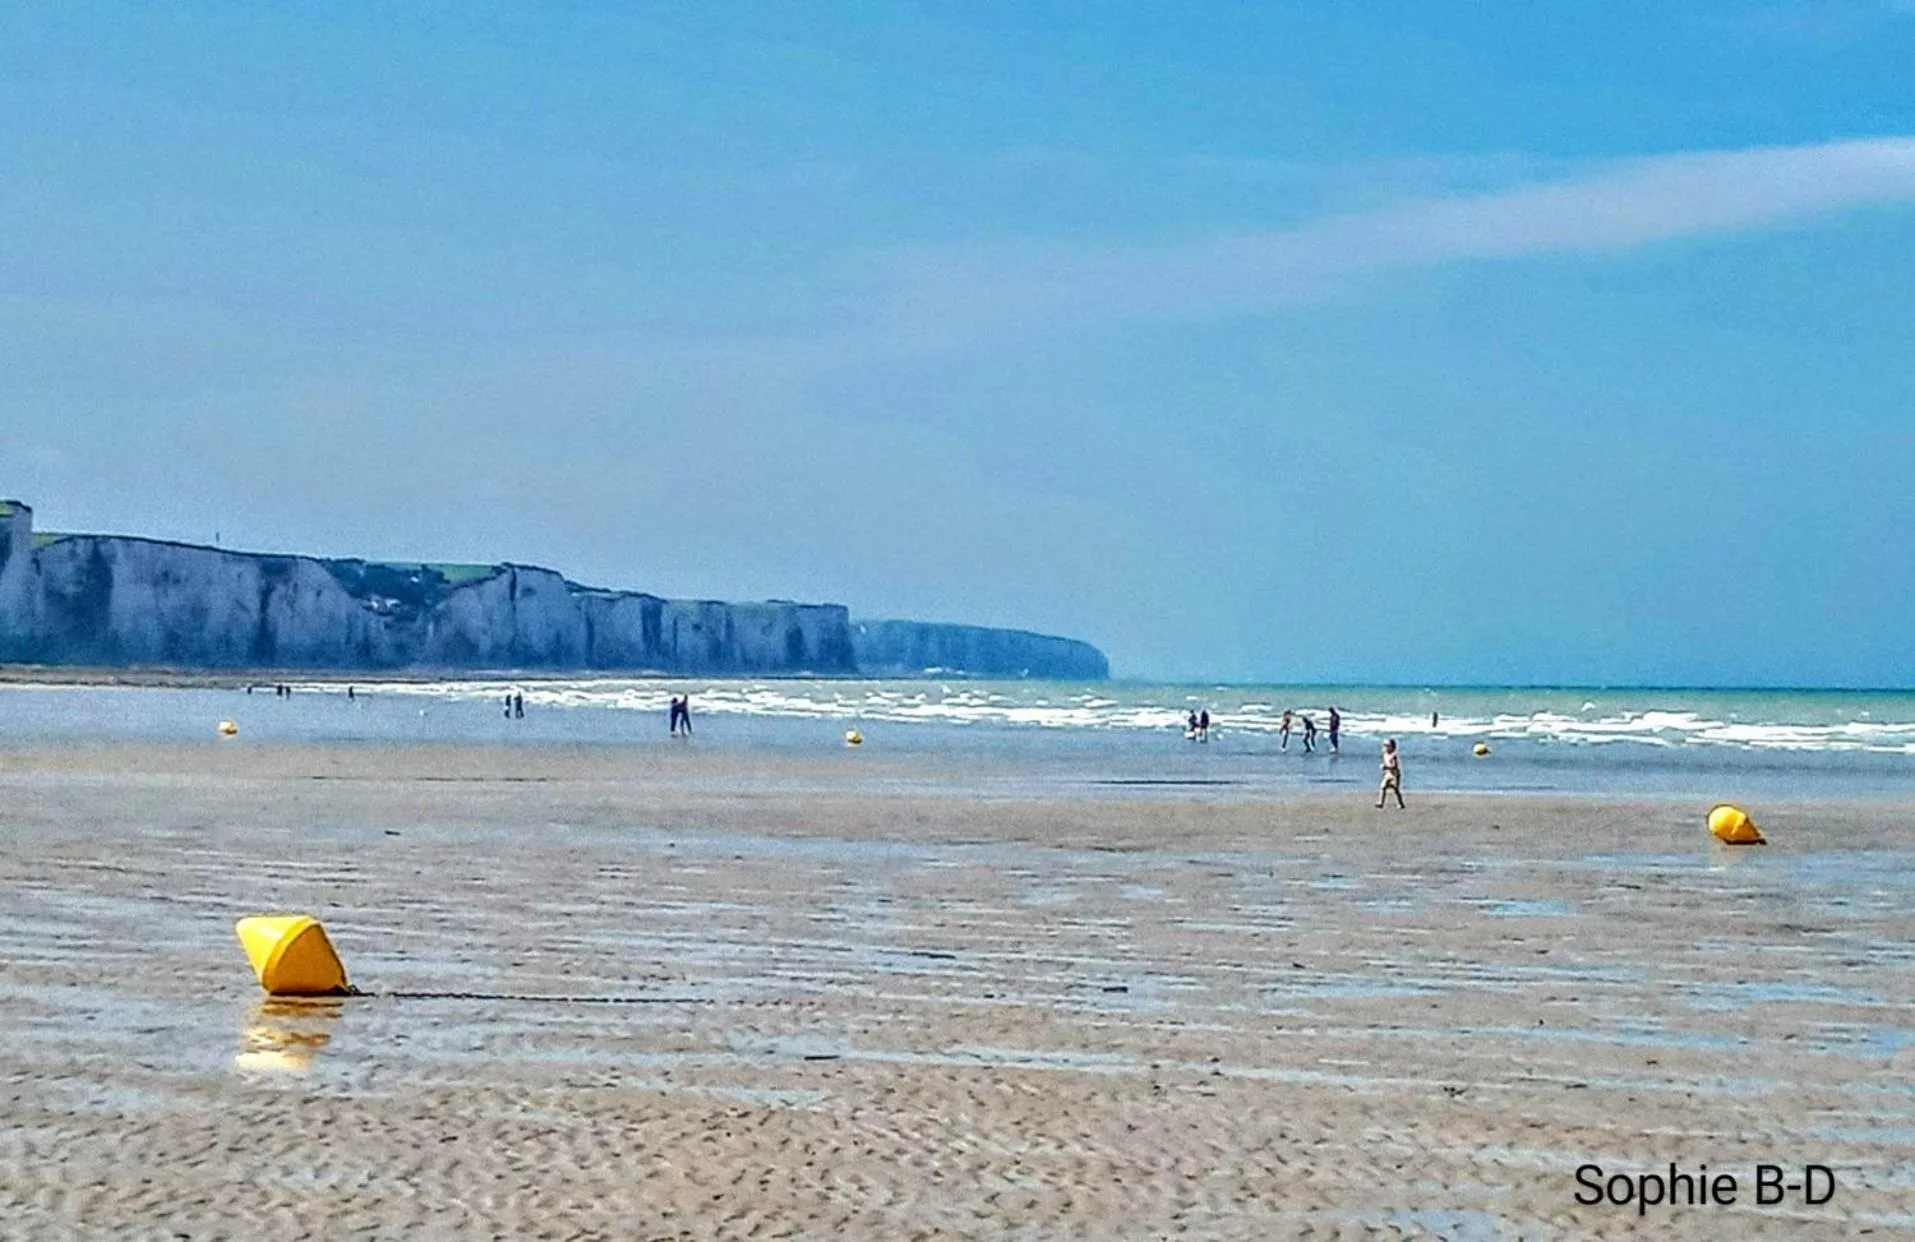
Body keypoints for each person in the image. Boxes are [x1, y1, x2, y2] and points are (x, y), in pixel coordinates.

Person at [1376, 739, 1405, 809]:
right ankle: (1380, 802)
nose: (1385, 747)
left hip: (1395, 774)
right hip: (1388, 774)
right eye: (1384, 745)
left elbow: (1394, 766)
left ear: (1392, 747)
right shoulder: (1385, 754)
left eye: (1387, 746)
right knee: (1383, 787)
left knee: (1395, 789)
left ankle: (1400, 803)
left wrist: (1386, 767)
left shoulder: (1393, 755)